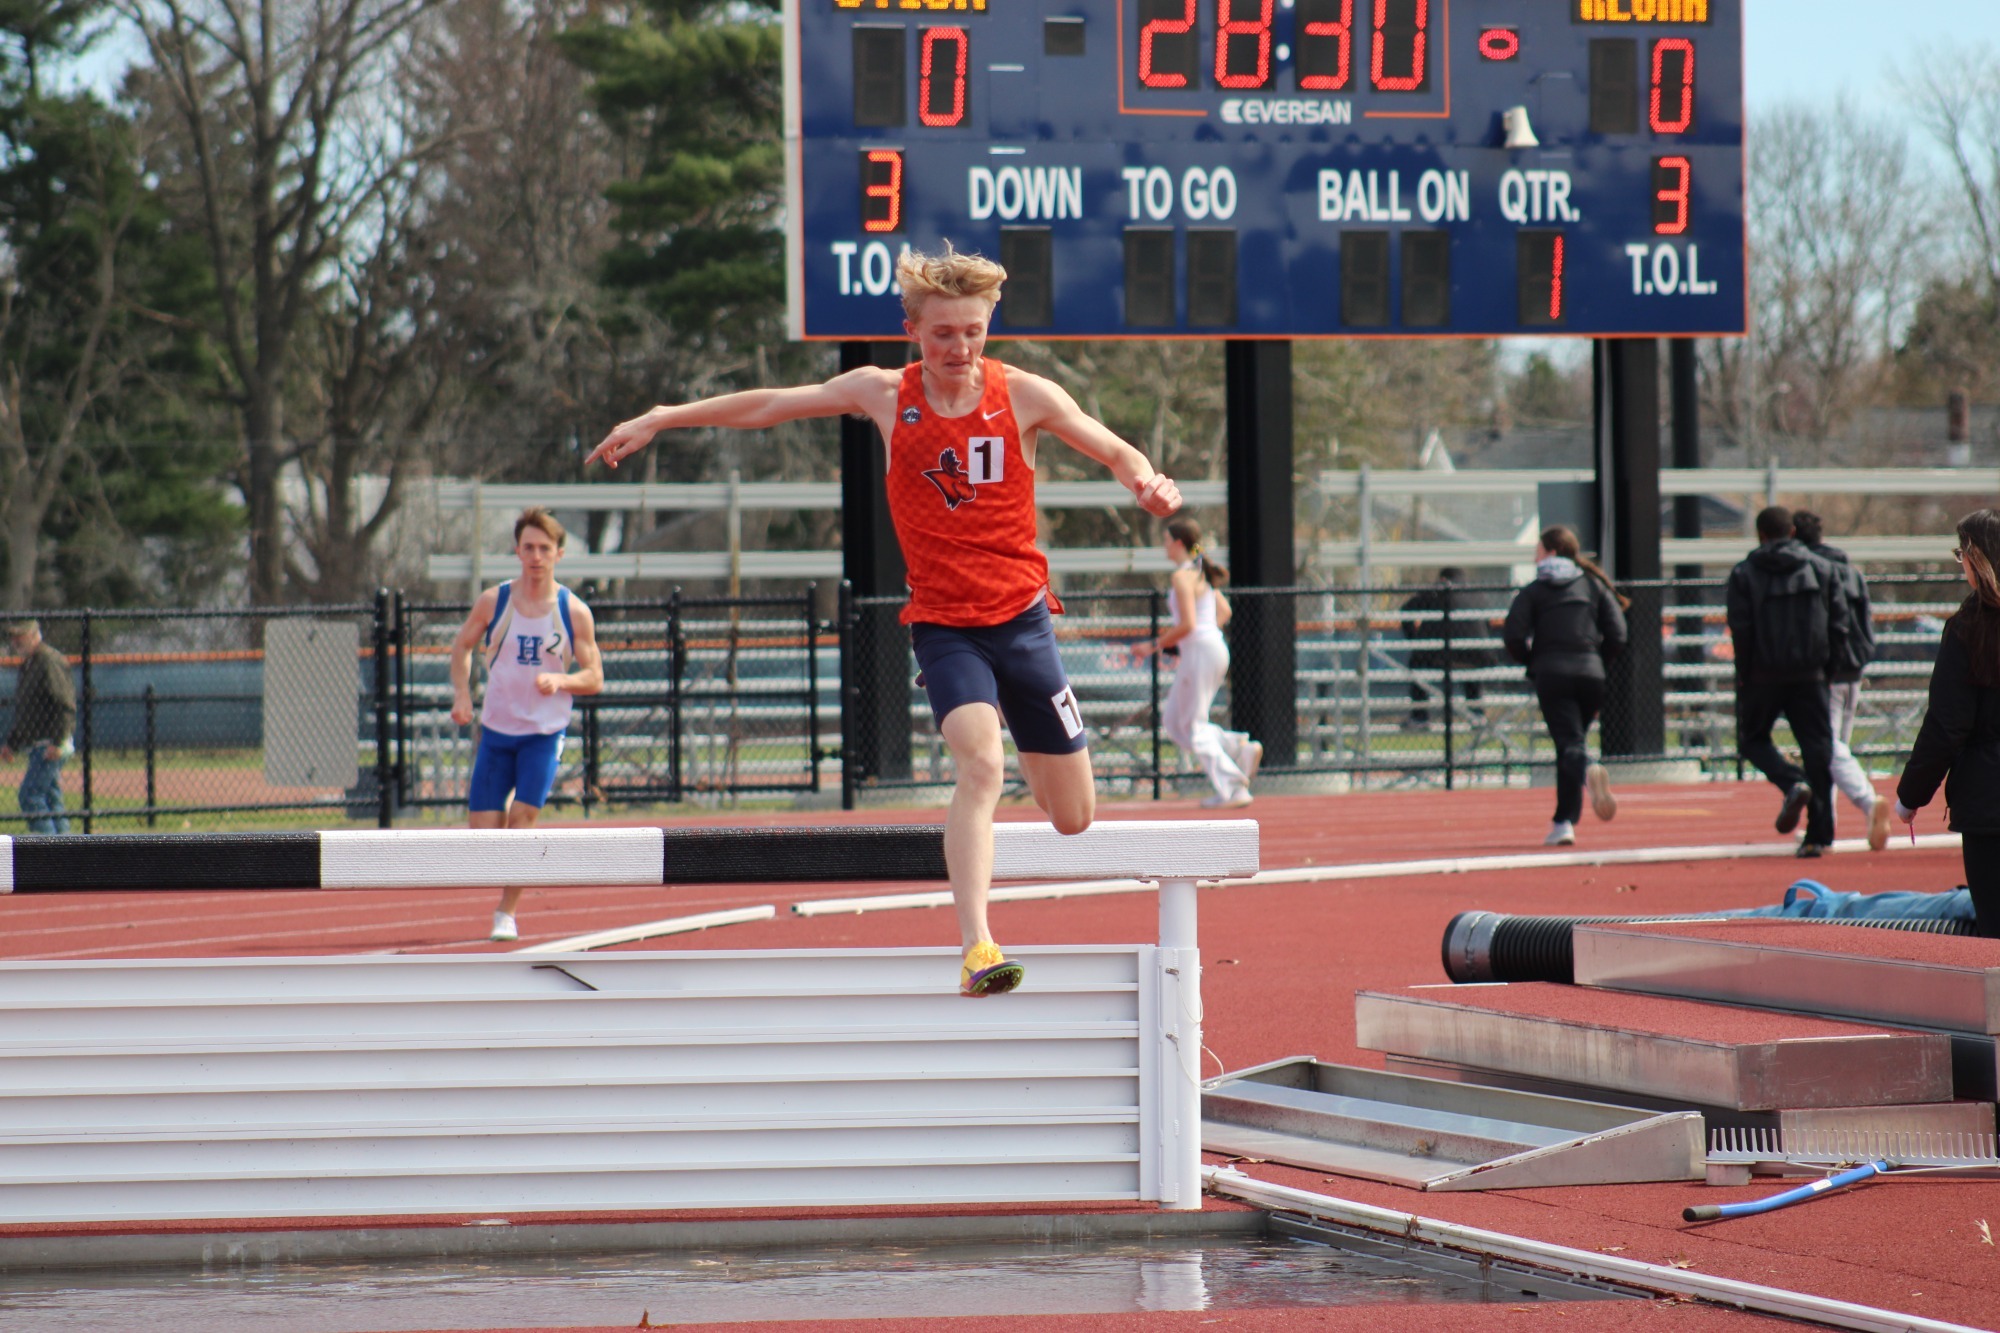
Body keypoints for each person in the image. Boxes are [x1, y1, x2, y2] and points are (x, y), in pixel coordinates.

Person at [587, 243, 1183, 997]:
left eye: (971, 331)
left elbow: (1113, 448)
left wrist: (1146, 481)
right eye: (942, 334)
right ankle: (978, 946)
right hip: (944, 624)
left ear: (987, 325)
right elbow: (772, 405)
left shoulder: (1025, 395)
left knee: (1073, 817)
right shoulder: (882, 393)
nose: (958, 348)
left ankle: (1036, 751)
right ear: (913, 330)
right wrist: (664, 417)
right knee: (979, 763)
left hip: (1024, 623)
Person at [449, 507, 605, 942]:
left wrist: (563, 679)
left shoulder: (573, 612)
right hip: (498, 731)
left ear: (559, 553)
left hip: (543, 734)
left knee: (524, 819)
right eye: (529, 547)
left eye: (545, 548)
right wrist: (462, 693)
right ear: (517, 551)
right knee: (485, 835)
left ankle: (507, 911)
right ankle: (508, 877)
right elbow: (462, 646)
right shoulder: (494, 601)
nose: (536, 556)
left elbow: (595, 677)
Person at [1892, 509, 2000, 937]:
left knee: (1994, 927)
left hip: (1989, 799)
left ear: (1977, 559)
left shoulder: (1969, 628)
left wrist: (1910, 795)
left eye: (1962, 555)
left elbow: (1947, 725)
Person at [1726, 505, 1852, 858]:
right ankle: (1819, 835)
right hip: (1810, 672)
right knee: (1817, 748)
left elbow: (1742, 629)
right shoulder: (1821, 568)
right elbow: (1839, 624)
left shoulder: (1744, 573)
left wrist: (1745, 676)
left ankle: (1791, 781)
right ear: (1792, 532)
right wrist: (1828, 670)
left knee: (1752, 740)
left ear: (1761, 535)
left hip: (1762, 673)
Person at [1502, 527, 1627, 846]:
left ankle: (1584, 775)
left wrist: (1534, 662)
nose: (1534, 555)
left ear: (1552, 552)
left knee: (1570, 746)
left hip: (1552, 674)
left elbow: (1513, 635)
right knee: (1571, 743)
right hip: (1591, 674)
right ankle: (1563, 821)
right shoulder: (1592, 585)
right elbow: (1618, 633)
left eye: (1538, 550)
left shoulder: (1535, 590)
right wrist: (1597, 661)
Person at [1134, 518, 1262, 809]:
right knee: (1173, 722)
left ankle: (1234, 787)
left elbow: (1188, 624)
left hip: (1202, 652)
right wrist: (1204, 638)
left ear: (1178, 543)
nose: (1164, 546)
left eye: (1167, 540)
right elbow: (1224, 611)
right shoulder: (1200, 572)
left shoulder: (1183, 577)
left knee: (1193, 726)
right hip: (1208, 649)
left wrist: (1151, 645)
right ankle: (1237, 747)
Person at [1792, 510, 1891, 851]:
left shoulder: (1809, 571)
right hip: (1853, 667)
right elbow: (1865, 618)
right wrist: (1861, 655)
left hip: (1829, 669)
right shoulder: (1850, 570)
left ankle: (1868, 801)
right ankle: (1826, 823)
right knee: (1835, 748)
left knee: (1827, 748)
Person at [2, 620, 77, 834]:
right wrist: (12, 744)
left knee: (30, 795)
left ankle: (46, 852)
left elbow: (64, 704)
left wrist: (59, 741)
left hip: (50, 743)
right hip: (38, 743)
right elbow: (27, 711)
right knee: (51, 798)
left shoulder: (48, 661)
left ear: (35, 635)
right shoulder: (29, 664)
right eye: (13, 636)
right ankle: (66, 852)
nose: (15, 641)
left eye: (21, 636)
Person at [1399, 567, 1490, 728]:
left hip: (1439, 655)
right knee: (1471, 665)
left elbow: (1405, 611)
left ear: (1442, 579)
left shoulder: (1437, 591)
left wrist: (1415, 640)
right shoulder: (1477, 593)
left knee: (1417, 663)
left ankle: (1420, 717)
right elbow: (1487, 624)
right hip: (1476, 654)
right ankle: (1477, 714)